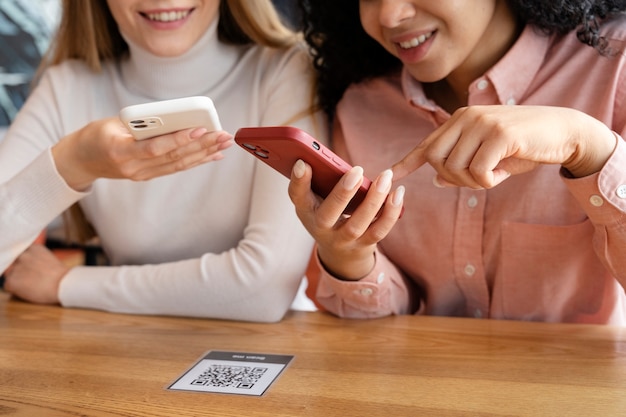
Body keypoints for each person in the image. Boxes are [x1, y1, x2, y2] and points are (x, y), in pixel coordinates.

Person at [289, 0, 626, 324]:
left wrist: (586, 144)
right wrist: (349, 257)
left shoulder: (615, 66)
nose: (390, 15)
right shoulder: (361, 108)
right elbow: (381, 327)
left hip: (576, 380)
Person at [0, 0, 325, 322]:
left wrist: (64, 284)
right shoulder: (66, 87)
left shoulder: (285, 70)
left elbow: (262, 291)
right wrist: (73, 162)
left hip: (266, 353)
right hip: (124, 345)